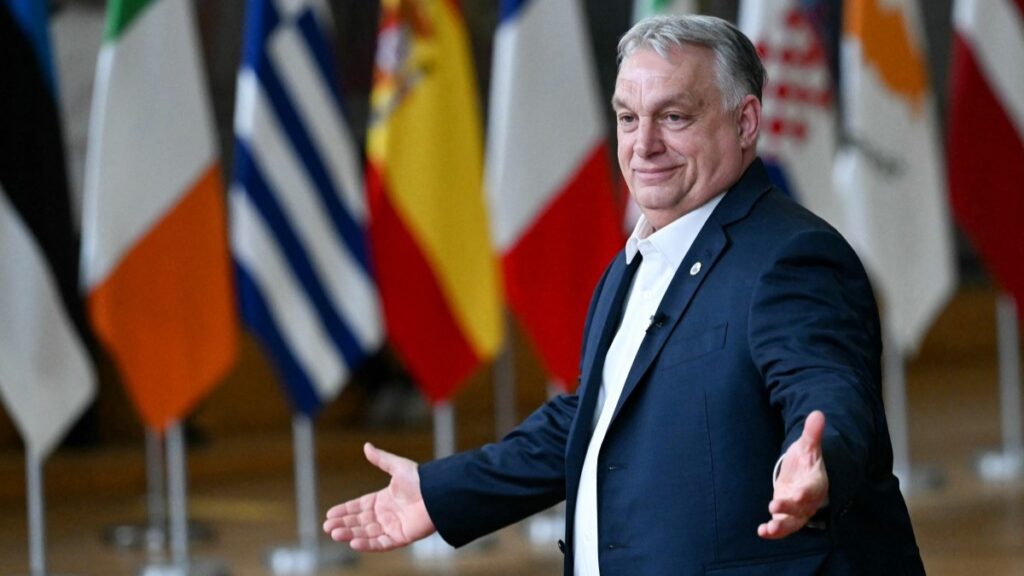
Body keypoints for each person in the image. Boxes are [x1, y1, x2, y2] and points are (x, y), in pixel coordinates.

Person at [324, 14, 925, 575]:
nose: (644, 145)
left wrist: (817, 461)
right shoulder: (634, 262)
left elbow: (824, 389)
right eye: (628, 118)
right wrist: (442, 494)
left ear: (745, 123)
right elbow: (596, 416)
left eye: (674, 117)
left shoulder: (793, 257)